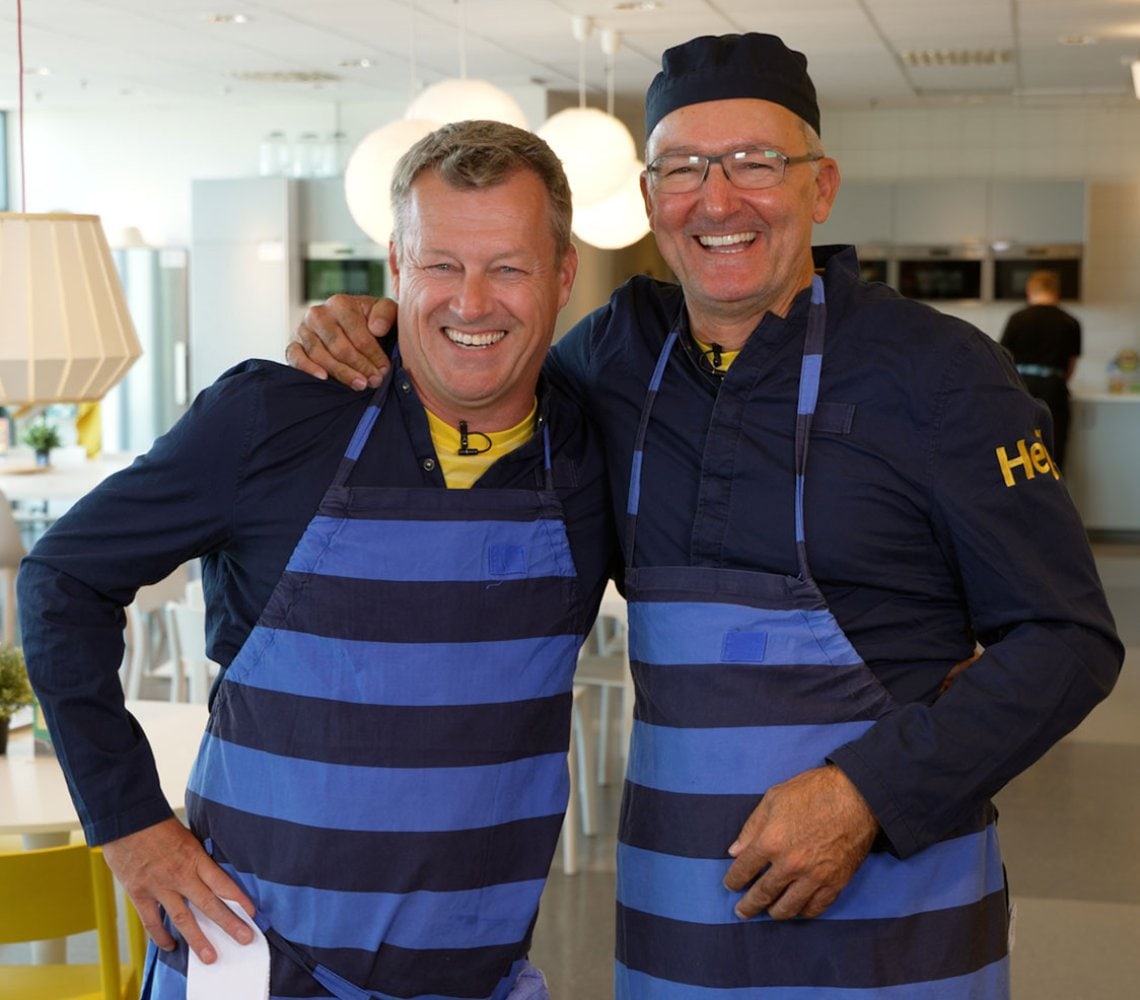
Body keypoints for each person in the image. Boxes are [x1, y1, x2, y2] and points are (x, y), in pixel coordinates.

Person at [287, 34, 1122, 1000]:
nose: (717, 199)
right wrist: (365, 328)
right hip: (680, 919)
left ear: (822, 186)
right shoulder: (604, 361)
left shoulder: (940, 375)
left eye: (757, 163)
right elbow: (462, 399)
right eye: (683, 167)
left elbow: (1067, 638)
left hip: (898, 913)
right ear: (648, 199)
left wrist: (866, 795)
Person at [18, 120, 614, 1000]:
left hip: (475, 978)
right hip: (255, 969)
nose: (473, 301)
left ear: (563, 275)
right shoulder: (275, 417)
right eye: (441, 263)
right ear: (396, 268)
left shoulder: (596, 446)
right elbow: (61, 580)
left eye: (509, 267)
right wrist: (129, 823)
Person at [1000, 268, 1082, 469]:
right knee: (1053, 451)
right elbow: (1070, 368)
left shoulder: (1018, 318)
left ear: (1030, 290)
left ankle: (1020, 499)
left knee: (1018, 451)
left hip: (1020, 388)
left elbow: (1003, 359)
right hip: (1054, 389)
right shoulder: (1070, 322)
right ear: (1056, 291)